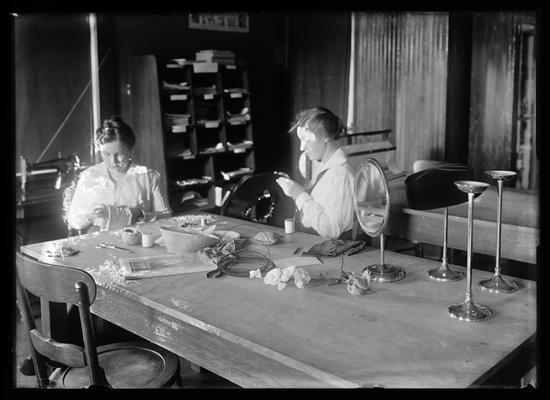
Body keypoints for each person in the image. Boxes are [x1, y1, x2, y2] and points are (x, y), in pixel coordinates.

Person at [67, 116, 171, 232]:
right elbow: (73, 221)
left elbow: (166, 217)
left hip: (138, 241)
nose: (113, 161)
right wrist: (91, 214)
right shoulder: (89, 176)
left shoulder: (148, 176)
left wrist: (136, 215)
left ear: (130, 150)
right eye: (106, 154)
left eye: (119, 154)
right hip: (101, 244)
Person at [276, 106, 355, 239]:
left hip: (334, 253)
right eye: (301, 140)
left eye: (307, 139)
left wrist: (299, 195)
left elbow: (331, 231)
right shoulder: (322, 164)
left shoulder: (340, 176)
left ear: (324, 136)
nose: (302, 147)